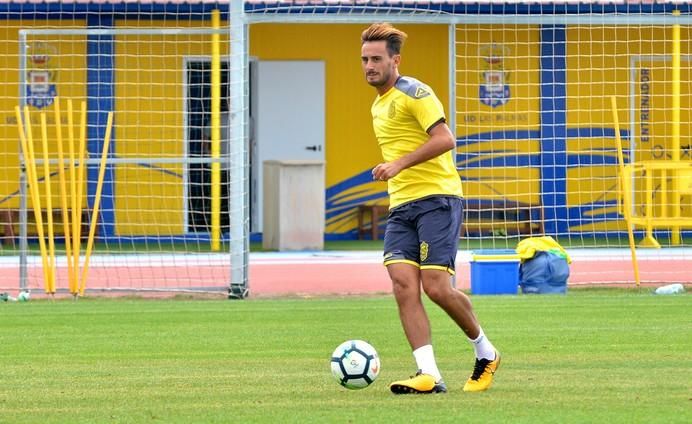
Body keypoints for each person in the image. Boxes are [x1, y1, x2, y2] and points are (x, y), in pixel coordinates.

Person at [360, 23, 500, 394]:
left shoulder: (415, 92)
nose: (369, 66)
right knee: (403, 285)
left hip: (437, 198)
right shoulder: (378, 104)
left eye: (376, 59)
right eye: (364, 59)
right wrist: (394, 172)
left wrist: (398, 164)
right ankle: (428, 374)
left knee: (436, 287)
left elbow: (445, 139)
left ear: (396, 60)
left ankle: (486, 352)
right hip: (401, 205)